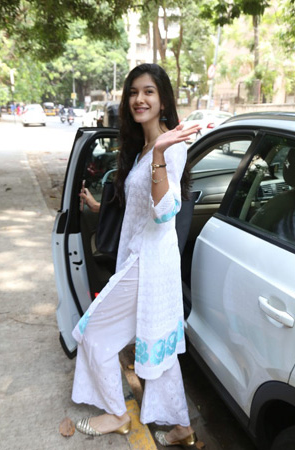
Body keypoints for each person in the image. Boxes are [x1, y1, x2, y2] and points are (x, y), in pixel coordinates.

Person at [74, 63, 201, 447]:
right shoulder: (143, 147)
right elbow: (138, 206)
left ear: (163, 100)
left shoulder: (169, 147)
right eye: (133, 92)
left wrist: (160, 151)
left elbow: (164, 212)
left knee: (93, 333)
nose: (139, 99)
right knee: (155, 346)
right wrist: (99, 207)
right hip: (140, 258)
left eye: (148, 91)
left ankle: (116, 414)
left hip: (148, 264)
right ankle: (183, 428)